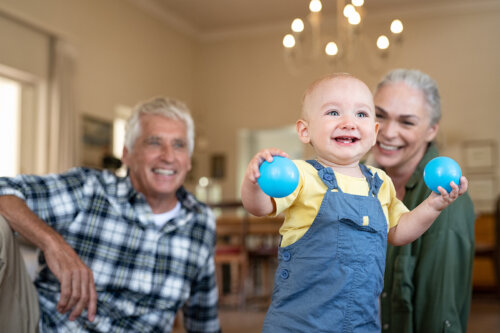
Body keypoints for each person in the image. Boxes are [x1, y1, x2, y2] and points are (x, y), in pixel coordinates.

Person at [240, 73, 468, 332]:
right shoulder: (302, 175)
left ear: (374, 132)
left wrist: (432, 205)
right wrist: (254, 182)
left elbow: (399, 231)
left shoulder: (380, 182)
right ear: (305, 131)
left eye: (361, 114)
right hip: (302, 323)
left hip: (361, 322)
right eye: (333, 112)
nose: (349, 122)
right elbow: (258, 207)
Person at [0, 97, 221, 332]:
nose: (168, 156)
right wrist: (52, 243)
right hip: (44, 326)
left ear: (188, 160)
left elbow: (203, 320)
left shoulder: (201, 221)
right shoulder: (88, 189)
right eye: (154, 143)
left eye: (179, 145)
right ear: (127, 154)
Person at [371, 69, 475, 333]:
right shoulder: (359, 180)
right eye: (379, 115)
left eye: (407, 122)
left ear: (431, 130)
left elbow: (438, 317)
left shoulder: (447, 202)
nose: (387, 132)